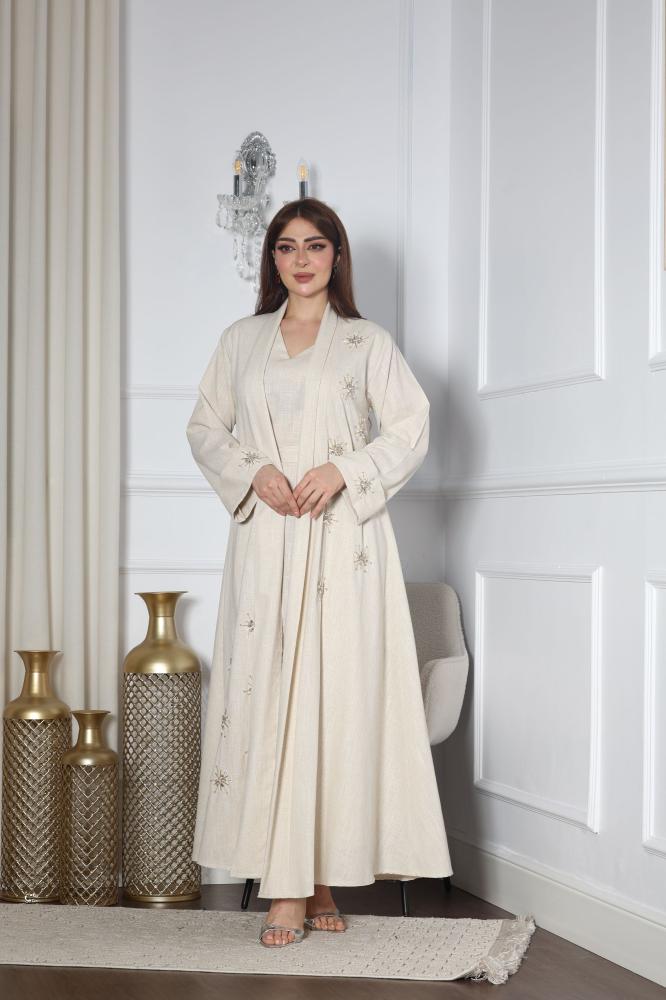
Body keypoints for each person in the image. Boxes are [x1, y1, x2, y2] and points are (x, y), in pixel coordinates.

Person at [186, 197, 452, 949]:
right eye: (286, 246)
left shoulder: (367, 343)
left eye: (315, 245)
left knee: (331, 703)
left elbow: (412, 425)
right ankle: (295, 884)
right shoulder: (241, 342)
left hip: (343, 548)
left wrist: (344, 470)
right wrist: (253, 470)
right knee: (274, 698)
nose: (300, 260)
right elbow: (204, 427)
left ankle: (310, 883)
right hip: (267, 542)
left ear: (337, 255)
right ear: (271, 259)